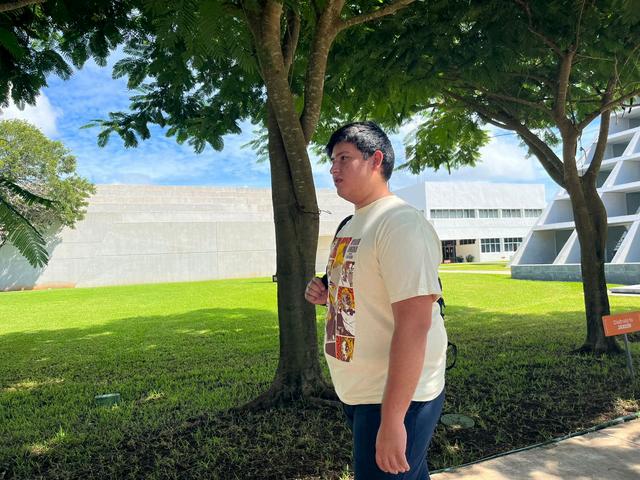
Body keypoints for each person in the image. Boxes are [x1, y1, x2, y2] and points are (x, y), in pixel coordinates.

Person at [305, 121, 447, 479]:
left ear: (376, 160)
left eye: (344, 158)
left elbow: (415, 324)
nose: (333, 169)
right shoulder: (350, 224)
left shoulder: (399, 224)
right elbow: (359, 290)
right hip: (358, 391)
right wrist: (325, 295)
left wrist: (393, 419)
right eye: (332, 161)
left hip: (395, 398)